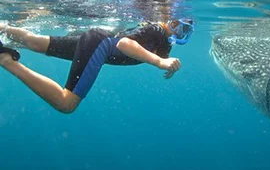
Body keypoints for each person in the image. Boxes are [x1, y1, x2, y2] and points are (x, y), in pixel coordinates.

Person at [0, 19, 194, 114]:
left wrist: (166, 63)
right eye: (179, 26)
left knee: (36, 43)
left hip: (95, 40)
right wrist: (160, 62)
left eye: (186, 29)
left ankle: (3, 28)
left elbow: (157, 53)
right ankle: (5, 60)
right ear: (171, 20)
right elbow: (123, 44)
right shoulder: (155, 29)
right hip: (98, 45)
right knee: (66, 103)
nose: (181, 32)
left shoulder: (163, 40)